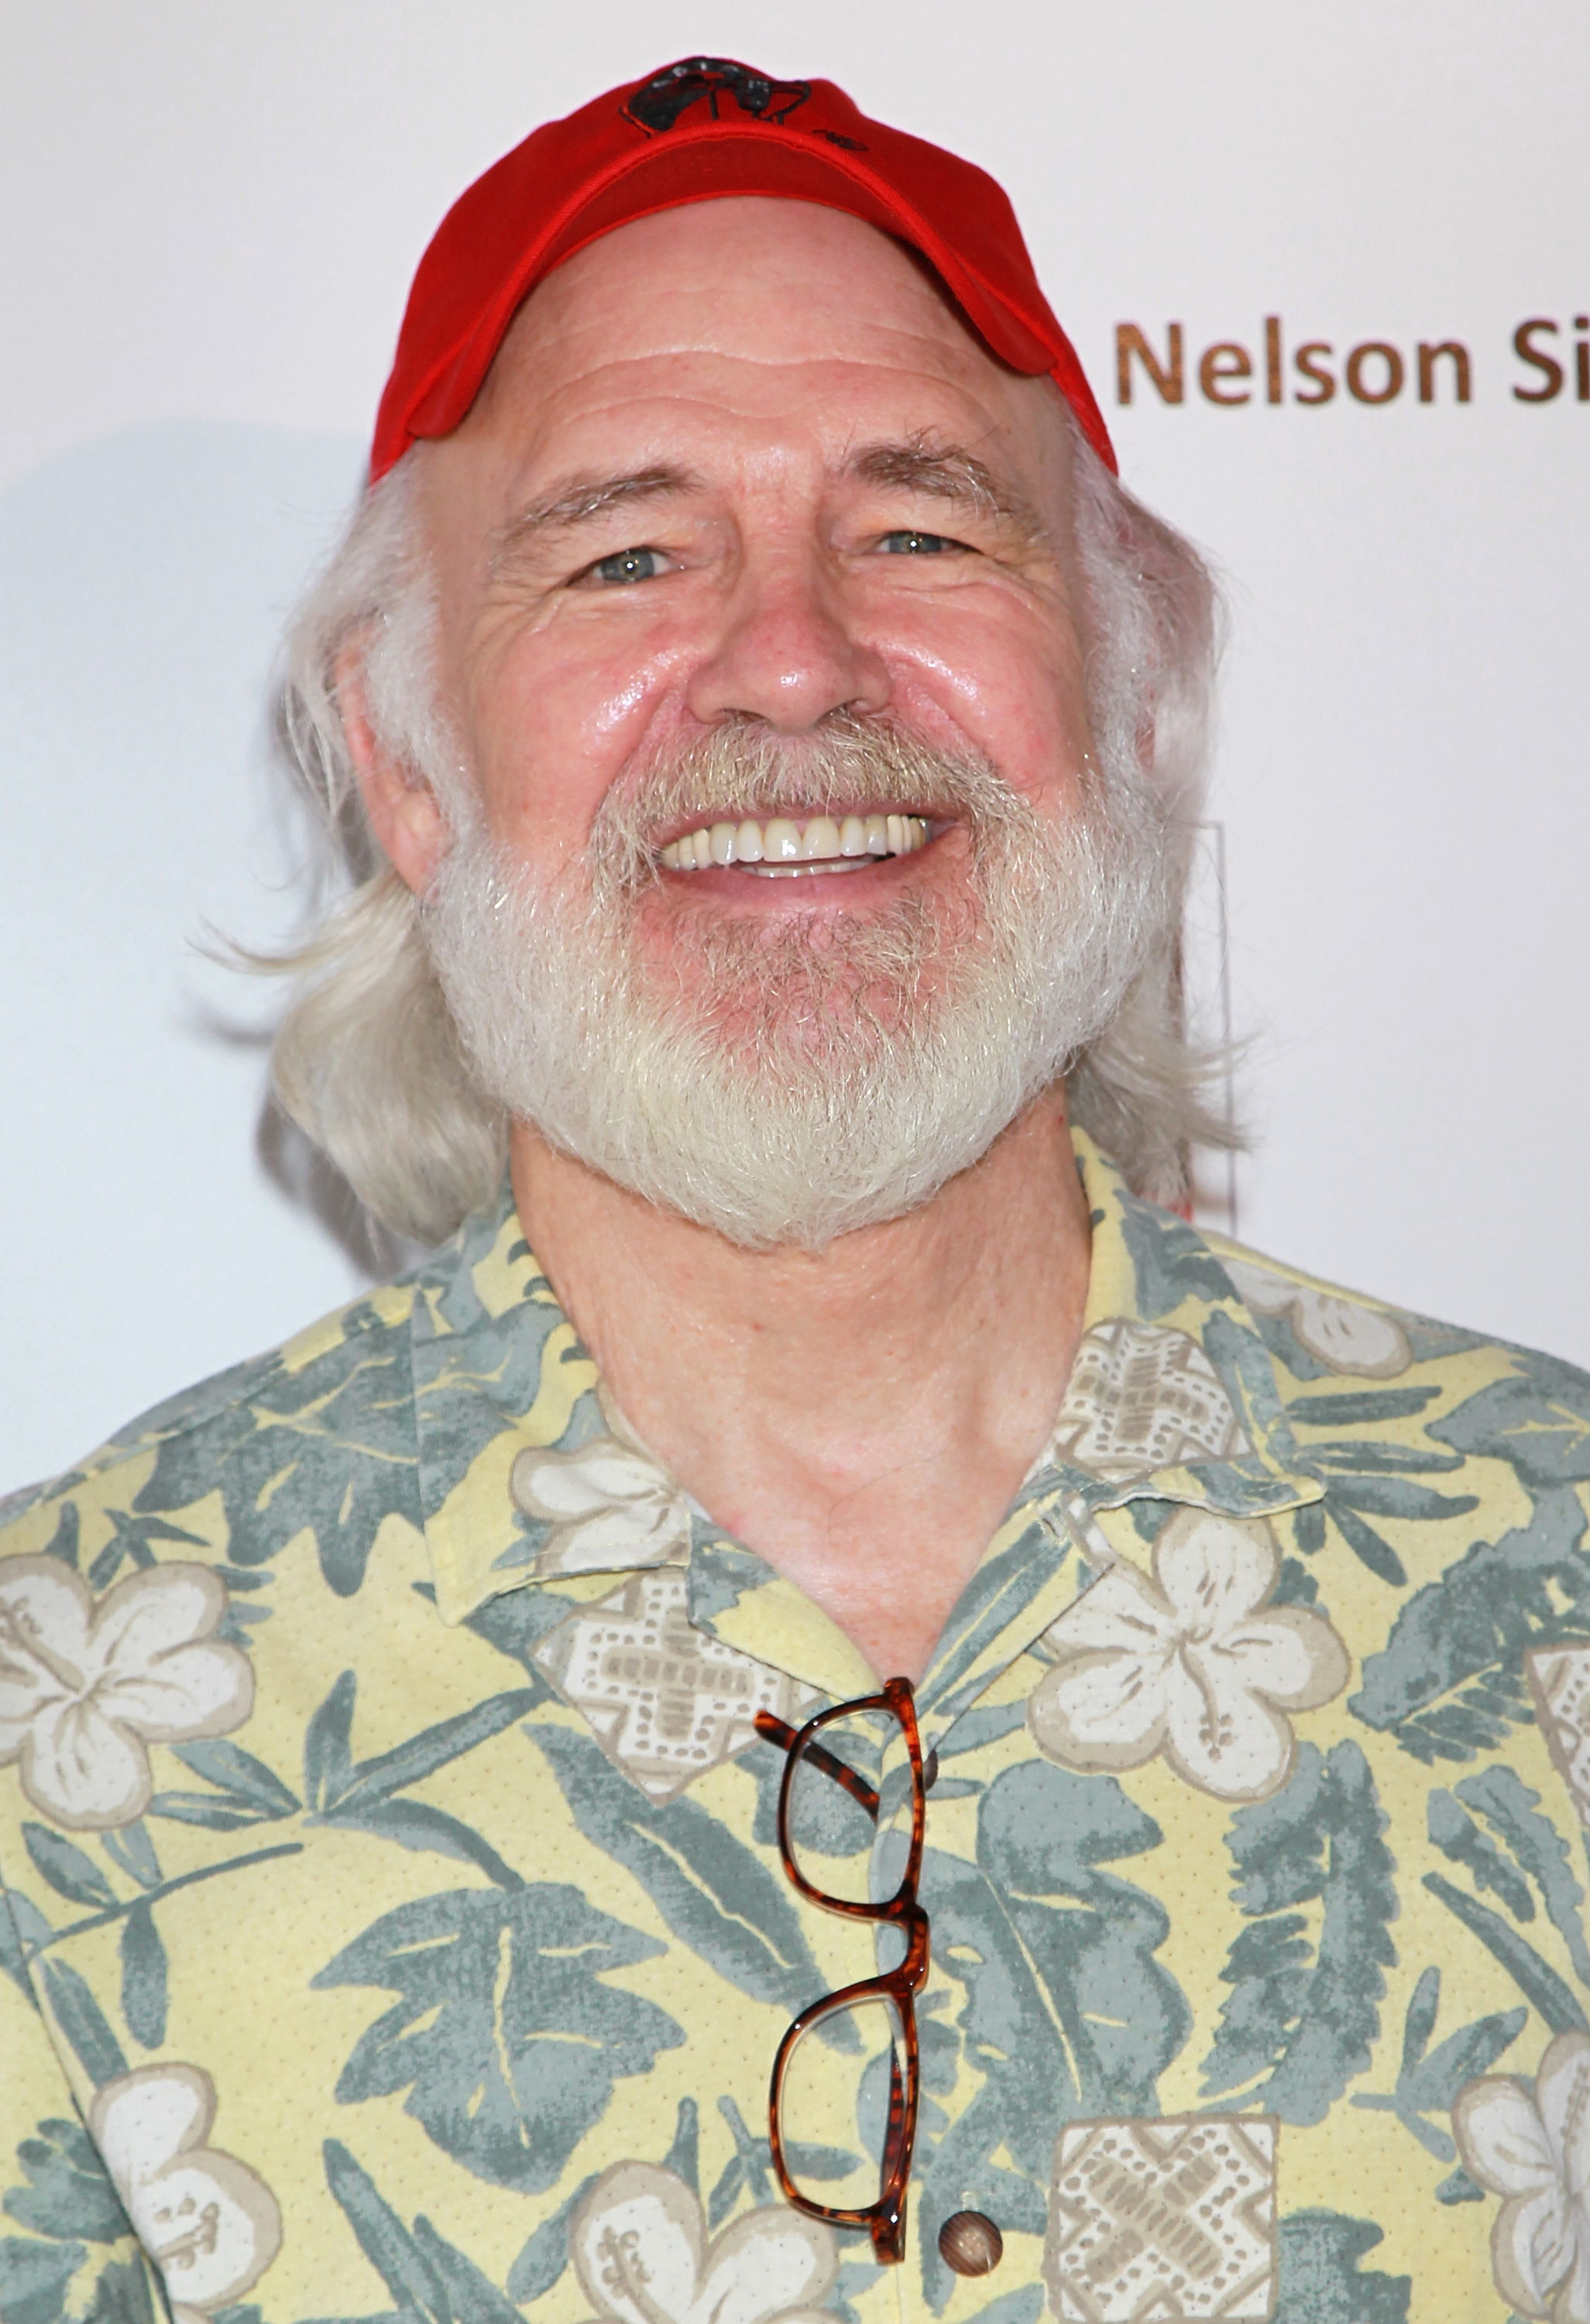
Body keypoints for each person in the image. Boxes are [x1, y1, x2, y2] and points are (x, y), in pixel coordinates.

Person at [2, 56, 1588, 2324]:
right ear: (400, 757)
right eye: (626, 552)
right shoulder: (49, 1735)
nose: (790, 660)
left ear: (1129, 701)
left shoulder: (1552, 1573)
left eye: (922, 528)